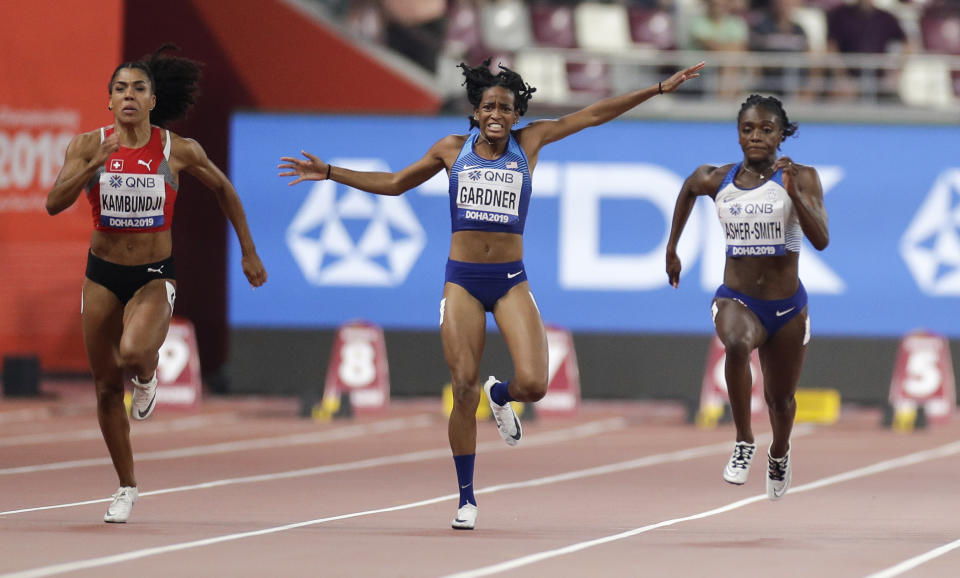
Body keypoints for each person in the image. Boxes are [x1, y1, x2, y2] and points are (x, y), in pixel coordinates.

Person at [280, 58, 705, 529]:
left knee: (536, 385)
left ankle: (500, 396)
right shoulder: (451, 149)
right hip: (462, 280)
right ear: (476, 112)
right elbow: (397, 183)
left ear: (517, 113)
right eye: (489, 106)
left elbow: (594, 114)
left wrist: (660, 87)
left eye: (506, 107)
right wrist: (332, 172)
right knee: (462, 387)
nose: (497, 114)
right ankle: (466, 498)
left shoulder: (529, 143)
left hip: (509, 281)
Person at [45, 45, 267, 523]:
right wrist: (91, 164)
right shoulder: (87, 145)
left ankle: (146, 377)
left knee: (131, 354)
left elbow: (225, 189)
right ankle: (126, 486)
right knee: (105, 388)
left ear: (151, 100)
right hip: (101, 274)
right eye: (120, 88)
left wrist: (248, 250)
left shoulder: (176, 149)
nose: (128, 95)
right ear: (109, 101)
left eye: (138, 89)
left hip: (151, 275)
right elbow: (53, 202)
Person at [665, 94, 828, 501]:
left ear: (780, 136)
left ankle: (779, 451)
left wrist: (794, 193)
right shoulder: (718, 178)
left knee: (781, 399)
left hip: (788, 308)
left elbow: (821, 240)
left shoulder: (802, 176)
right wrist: (672, 248)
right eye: (748, 129)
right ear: (739, 135)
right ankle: (743, 440)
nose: (756, 137)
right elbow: (688, 187)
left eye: (766, 130)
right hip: (737, 300)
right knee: (735, 344)